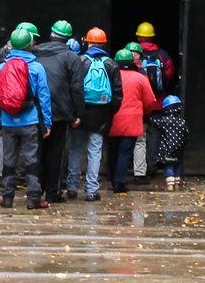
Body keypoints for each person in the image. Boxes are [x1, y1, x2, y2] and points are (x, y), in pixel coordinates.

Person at [0, 25, 53, 209]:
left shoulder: (1, 67)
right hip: (30, 121)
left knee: (9, 159)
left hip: (8, 121)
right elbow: (44, 97)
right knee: (31, 159)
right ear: (29, 45)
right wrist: (46, 123)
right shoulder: (36, 68)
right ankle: (33, 198)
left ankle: (7, 197)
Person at [32, 22, 83, 204]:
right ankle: (53, 193)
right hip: (60, 112)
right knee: (55, 153)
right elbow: (76, 87)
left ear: (52, 34)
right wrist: (77, 114)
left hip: (36, 111)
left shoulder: (35, 52)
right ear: (68, 38)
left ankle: (36, 191)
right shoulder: (71, 57)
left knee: (37, 152)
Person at [69, 27, 119, 200]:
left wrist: (75, 112)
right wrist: (111, 112)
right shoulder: (111, 64)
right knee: (95, 151)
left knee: (75, 149)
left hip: (81, 113)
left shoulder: (80, 61)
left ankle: (72, 186)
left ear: (88, 43)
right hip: (101, 114)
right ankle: (91, 191)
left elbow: (74, 88)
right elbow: (118, 93)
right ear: (104, 44)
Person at [0, 22, 36, 182]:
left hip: (2, 106)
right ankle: (20, 177)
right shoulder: (30, 61)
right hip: (25, 109)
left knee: (2, 143)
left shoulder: (0, 55)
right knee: (24, 144)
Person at [108, 45, 160, 194]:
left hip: (112, 120)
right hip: (132, 121)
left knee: (112, 151)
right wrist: (146, 113)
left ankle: (112, 178)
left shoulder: (111, 76)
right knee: (125, 152)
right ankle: (120, 182)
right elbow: (150, 100)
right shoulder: (140, 78)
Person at [147, 93, 188, 190]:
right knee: (177, 165)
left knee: (169, 166)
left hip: (167, 148)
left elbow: (155, 123)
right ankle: (177, 183)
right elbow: (187, 134)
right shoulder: (182, 122)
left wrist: (148, 118)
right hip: (179, 149)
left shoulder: (165, 121)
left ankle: (170, 184)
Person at [134, 21, 176, 98]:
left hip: (140, 101)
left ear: (138, 37)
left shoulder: (133, 55)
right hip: (159, 101)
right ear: (152, 37)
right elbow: (170, 75)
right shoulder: (163, 55)